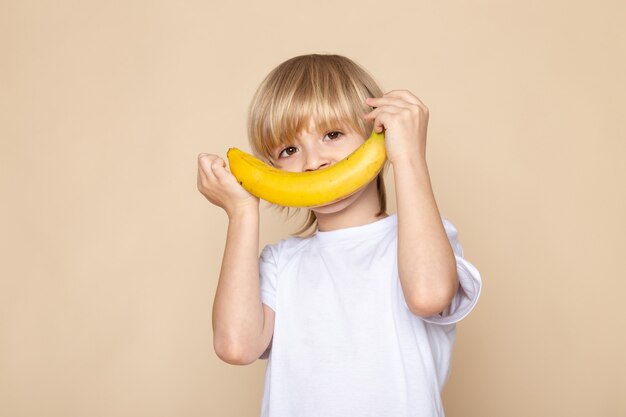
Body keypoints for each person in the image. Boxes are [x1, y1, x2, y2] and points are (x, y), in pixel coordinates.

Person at [197, 54, 482, 417]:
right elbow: (236, 346)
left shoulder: (422, 237)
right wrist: (241, 212)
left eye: (332, 135)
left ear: (375, 137)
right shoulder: (281, 263)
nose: (314, 161)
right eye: (289, 150)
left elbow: (428, 296)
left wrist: (409, 156)